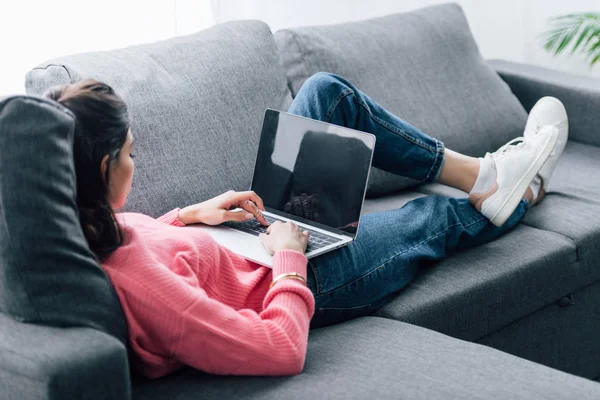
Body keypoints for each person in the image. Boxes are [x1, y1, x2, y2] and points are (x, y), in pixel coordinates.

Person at [43, 72, 568, 378]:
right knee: (427, 217)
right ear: (102, 166)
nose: (139, 163)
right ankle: (517, 191)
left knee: (326, 94)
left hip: (256, 238)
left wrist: (190, 217)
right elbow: (279, 349)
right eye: (130, 154)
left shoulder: (79, 220)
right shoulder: (141, 289)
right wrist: (292, 256)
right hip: (295, 275)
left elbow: (147, 247)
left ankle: (483, 174)